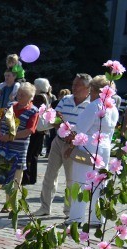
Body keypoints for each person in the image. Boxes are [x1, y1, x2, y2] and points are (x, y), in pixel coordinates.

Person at [33, 74, 91, 216]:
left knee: (71, 179)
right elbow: (55, 119)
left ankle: (68, 211)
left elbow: (87, 127)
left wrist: (73, 136)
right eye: (73, 84)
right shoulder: (65, 99)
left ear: (87, 88)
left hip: (74, 145)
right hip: (59, 141)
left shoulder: (90, 105)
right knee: (49, 175)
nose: (74, 87)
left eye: (77, 85)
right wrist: (59, 122)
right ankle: (44, 207)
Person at [65, 75, 119, 226]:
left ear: (94, 90)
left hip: (87, 148)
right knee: (100, 184)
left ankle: (76, 218)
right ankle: (98, 218)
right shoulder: (113, 108)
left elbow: (81, 129)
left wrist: (69, 133)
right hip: (104, 149)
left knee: (80, 183)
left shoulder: (93, 106)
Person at [0, 82, 38, 211]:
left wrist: (10, 137)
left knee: (14, 178)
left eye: (23, 95)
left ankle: (9, 204)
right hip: (2, 144)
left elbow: (29, 130)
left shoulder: (33, 111)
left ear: (30, 97)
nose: (20, 96)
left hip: (18, 149)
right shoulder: (10, 106)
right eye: (19, 93)